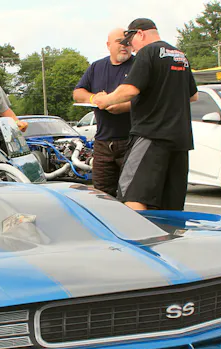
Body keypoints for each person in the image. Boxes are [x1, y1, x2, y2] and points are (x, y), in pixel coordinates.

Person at [94, 18, 198, 211]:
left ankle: (136, 232)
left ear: (140, 34)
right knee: (170, 205)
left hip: (151, 136)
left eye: (131, 41)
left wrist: (104, 100)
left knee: (133, 196)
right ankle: (166, 232)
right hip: (180, 141)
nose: (132, 48)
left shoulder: (147, 52)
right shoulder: (180, 56)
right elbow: (193, 96)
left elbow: (130, 90)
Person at [73, 28, 134, 197]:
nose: (124, 45)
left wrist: (123, 106)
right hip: (102, 142)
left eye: (128, 42)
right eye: (119, 41)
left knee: (132, 194)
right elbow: (78, 93)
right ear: (108, 45)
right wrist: (94, 98)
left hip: (132, 141)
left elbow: (148, 98)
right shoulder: (97, 67)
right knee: (101, 195)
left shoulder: (138, 66)